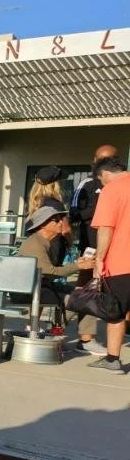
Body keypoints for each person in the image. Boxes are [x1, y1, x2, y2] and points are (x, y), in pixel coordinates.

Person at [16, 205, 95, 335]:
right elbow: (50, 272)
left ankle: (57, 329)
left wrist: (77, 264)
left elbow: (49, 273)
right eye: (56, 220)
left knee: (85, 293)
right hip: (31, 291)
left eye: (61, 219)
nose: (61, 222)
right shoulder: (36, 244)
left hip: (38, 287)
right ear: (43, 224)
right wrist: (79, 266)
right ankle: (83, 339)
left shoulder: (42, 241)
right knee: (85, 299)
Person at [90, 158, 130, 372]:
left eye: (100, 180)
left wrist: (99, 259)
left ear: (104, 174)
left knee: (116, 313)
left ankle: (112, 359)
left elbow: (106, 228)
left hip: (120, 263)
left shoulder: (111, 190)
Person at [71, 144, 118, 257]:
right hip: (91, 245)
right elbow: (74, 214)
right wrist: (97, 209)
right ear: (95, 160)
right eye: (101, 160)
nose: (104, 164)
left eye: (108, 160)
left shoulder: (123, 184)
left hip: (117, 245)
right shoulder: (87, 184)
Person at [27, 165, 70, 266]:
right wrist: (70, 243)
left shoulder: (34, 204)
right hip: (53, 249)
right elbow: (65, 230)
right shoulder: (55, 205)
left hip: (37, 248)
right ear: (55, 185)